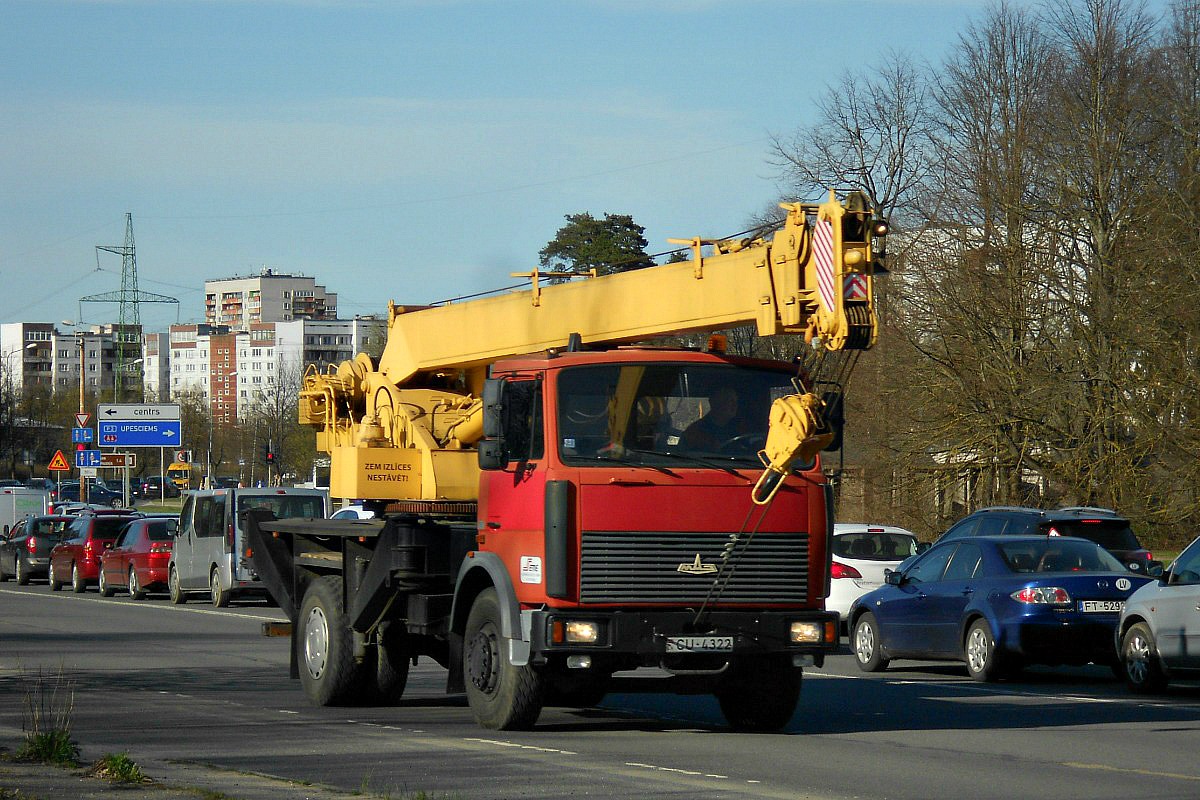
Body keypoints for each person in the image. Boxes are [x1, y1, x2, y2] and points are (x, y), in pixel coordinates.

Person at [680, 386, 742, 451]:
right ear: (714, 403)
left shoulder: (742, 429)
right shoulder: (694, 432)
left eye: (736, 401)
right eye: (729, 400)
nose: (734, 405)